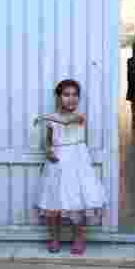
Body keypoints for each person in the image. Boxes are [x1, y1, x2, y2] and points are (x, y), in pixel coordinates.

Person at [35, 79, 106, 255]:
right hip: (57, 163)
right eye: (66, 95)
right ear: (59, 97)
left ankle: (79, 238)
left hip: (76, 162)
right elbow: (49, 141)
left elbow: (66, 122)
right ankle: (54, 238)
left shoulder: (79, 116)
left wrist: (44, 117)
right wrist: (49, 151)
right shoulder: (53, 120)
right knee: (54, 200)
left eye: (75, 95)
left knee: (77, 201)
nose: (71, 99)